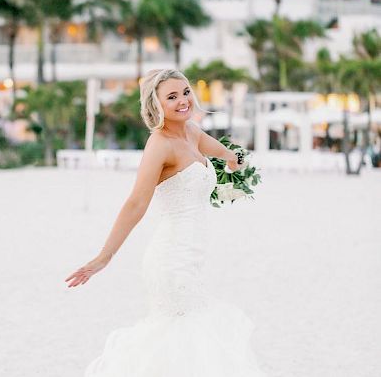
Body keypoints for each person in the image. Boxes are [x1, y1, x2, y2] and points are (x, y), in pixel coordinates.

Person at [65, 68, 267, 376]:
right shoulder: (159, 144)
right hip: (171, 259)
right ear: (156, 106)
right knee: (183, 335)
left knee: (190, 339)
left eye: (185, 92)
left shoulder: (192, 133)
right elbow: (135, 203)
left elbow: (226, 153)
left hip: (193, 256)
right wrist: (104, 257)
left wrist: (234, 164)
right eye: (171, 97)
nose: (183, 100)